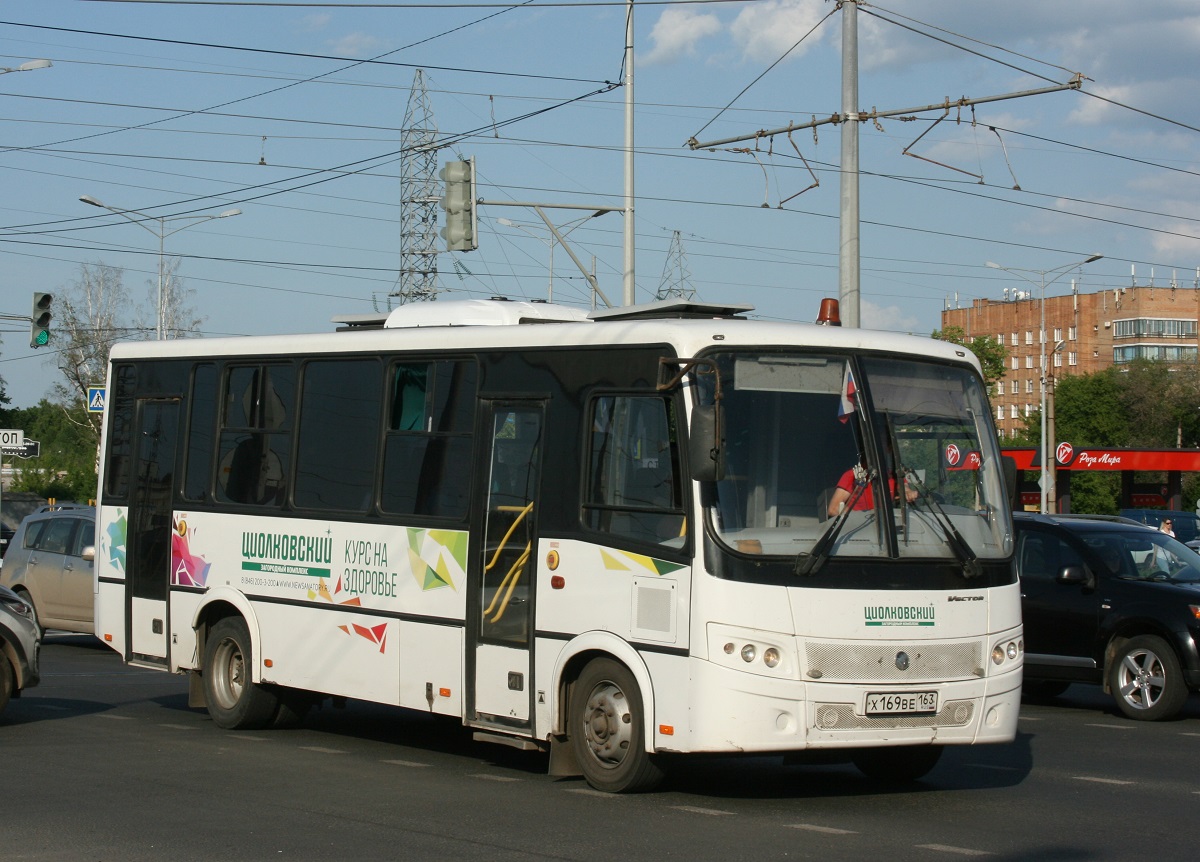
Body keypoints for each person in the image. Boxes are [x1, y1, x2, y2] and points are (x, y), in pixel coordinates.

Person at [827, 462, 918, 518]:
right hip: (858, 529)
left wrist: (908, 492)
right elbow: (834, 509)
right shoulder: (852, 476)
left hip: (886, 528)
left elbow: (903, 487)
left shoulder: (894, 476)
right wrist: (861, 517)